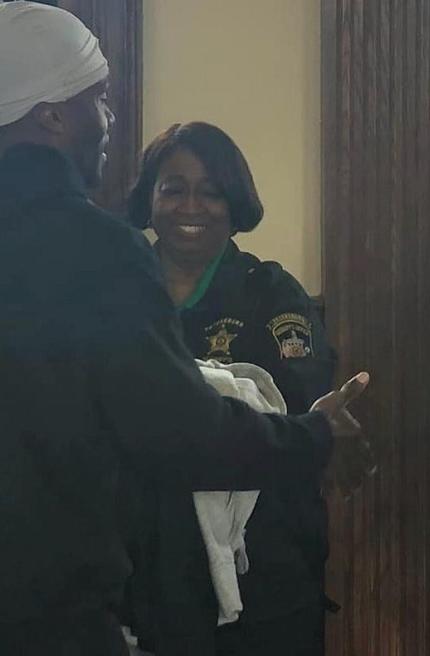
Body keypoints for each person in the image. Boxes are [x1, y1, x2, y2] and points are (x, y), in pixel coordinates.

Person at [0, 3, 370, 653]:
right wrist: (316, 436)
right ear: (54, 114)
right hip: (56, 610)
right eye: (100, 99)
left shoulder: (265, 291)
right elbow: (180, 430)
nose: (107, 118)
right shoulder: (94, 251)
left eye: (211, 192)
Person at [121, 123, 341, 655]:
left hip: (263, 572)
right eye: (173, 188)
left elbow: (294, 414)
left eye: (210, 190)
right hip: (141, 567)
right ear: (149, 200)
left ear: (233, 201)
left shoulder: (269, 293)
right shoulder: (116, 290)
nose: (189, 205)